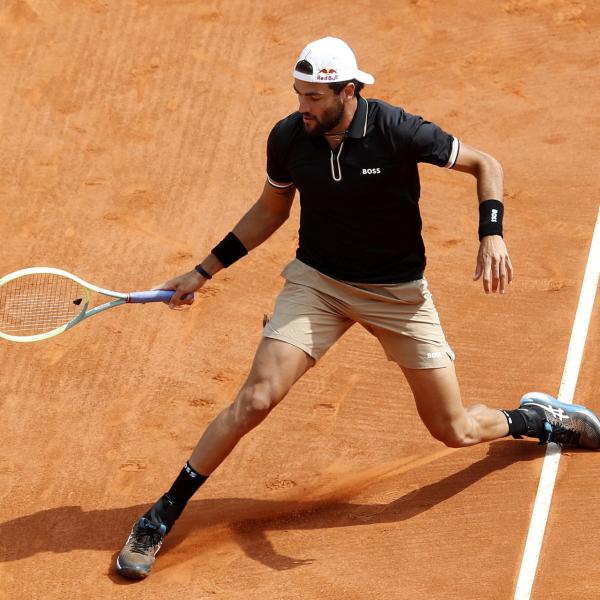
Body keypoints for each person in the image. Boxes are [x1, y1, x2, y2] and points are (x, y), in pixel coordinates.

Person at [115, 37, 600, 579]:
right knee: (254, 400)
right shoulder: (289, 137)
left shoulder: (397, 129)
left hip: (397, 295)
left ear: (348, 91)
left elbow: (486, 163)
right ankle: (163, 512)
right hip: (318, 284)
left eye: (315, 97)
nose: (303, 107)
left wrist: (492, 234)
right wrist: (203, 270)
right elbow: (271, 208)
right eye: (299, 94)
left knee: (453, 429)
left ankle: (533, 418)